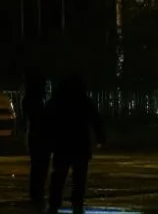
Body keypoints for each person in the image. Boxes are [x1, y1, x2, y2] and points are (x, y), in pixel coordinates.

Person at [45, 77, 105, 214]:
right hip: (79, 143)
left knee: (59, 175)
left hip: (62, 143)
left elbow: (47, 121)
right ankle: (76, 202)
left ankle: (54, 202)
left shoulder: (57, 101)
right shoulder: (83, 100)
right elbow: (96, 119)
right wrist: (101, 137)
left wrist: (47, 141)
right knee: (79, 176)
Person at [22, 75, 50, 210]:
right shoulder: (37, 103)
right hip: (40, 136)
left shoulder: (29, 101)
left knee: (37, 166)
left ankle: (36, 192)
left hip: (35, 136)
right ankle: (37, 193)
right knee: (41, 166)